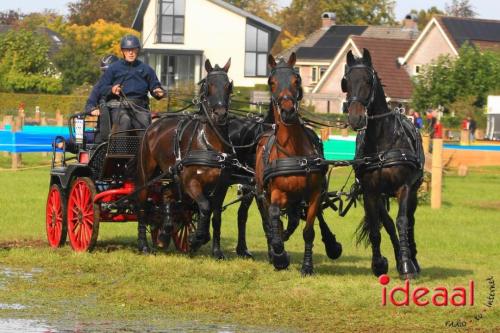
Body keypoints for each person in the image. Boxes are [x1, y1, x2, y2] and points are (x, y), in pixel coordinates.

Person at [99, 35, 165, 134]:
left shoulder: (147, 69)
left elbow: (155, 86)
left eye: (133, 50)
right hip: (119, 106)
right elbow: (102, 88)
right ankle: (121, 150)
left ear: (137, 51)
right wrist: (112, 89)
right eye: (127, 50)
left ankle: (142, 149)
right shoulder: (114, 68)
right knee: (125, 120)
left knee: (144, 122)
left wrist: (158, 91)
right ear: (123, 51)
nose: (130, 53)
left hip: (140, 107)